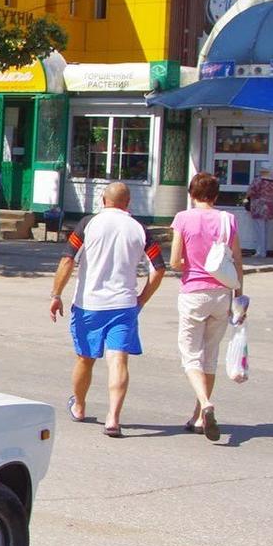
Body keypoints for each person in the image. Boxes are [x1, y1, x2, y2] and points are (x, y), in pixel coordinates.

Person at [48, 181, 166, 437]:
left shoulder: (88, 224)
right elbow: (159, 268)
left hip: (88, 304)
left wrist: (56, 294)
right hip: (124, 304)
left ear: (103, 200)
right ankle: (113, 418)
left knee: (85, 358)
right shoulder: (140, 229)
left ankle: (79, 406)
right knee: (118, 360)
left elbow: (68, 259)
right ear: (128, 202)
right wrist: (142, 298)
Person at [170, 172, 244, 442]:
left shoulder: (183, 218)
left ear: (191, 194)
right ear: (215, 195)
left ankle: (206, 403)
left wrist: (189, 266)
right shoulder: (228, 220)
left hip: (193, 292)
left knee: (190, 355)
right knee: (210, 355)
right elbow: (236, 260)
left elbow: (175, 261)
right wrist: (239, 296)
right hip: (222, 293)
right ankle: (199, 416)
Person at [246, 167, 273, 259]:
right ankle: (264, 251)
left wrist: (246, 200)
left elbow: (250, 192)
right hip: (270, 208)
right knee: (266, 230)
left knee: (259, 230)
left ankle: (260, 252)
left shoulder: (258, 181)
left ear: (261, 171)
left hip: (259, 208)